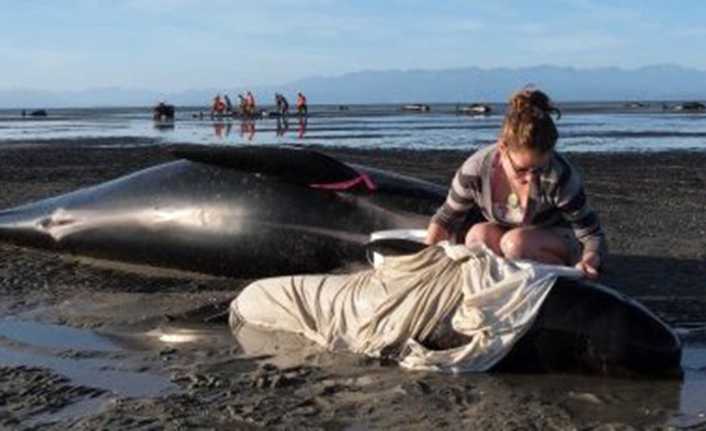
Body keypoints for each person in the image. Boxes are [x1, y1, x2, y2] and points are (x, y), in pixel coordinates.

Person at [425, 88, 606, 279]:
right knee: (479, 236)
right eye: (522, 169)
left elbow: (592, 235)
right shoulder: (475, 171)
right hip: (504, 236)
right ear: (502, 148)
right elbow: (446, 219)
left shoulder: (560, 176)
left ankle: (556, 284)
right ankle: (497, 288)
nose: (530, 177)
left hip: (555, 241)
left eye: (539, 169)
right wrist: (424, 262)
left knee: (517, 243)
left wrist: (589, 260)